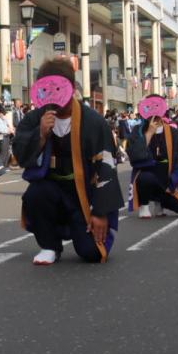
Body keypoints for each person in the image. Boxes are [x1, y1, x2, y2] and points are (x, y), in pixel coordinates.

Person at [13, 59, 121, 265]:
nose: (52, 95)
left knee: (92, 253)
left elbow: (106, 167)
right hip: (52, 187)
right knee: (36, 194)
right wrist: (41, 135)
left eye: (58, 88)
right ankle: (49, 245)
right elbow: (21, 156)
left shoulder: (94, 122)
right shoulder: (34, 118)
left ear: (71, 89)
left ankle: (93, 230)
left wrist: (100, 212)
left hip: (84, 195)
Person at [125, 97, 178, 219]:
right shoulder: (138, 131)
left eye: (157, 107)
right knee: (145, 177)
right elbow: (135, 157)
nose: (154, 112)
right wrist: (149, 133)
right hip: (146, 179)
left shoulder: (173, 132)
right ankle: (144, 204)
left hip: (167, 182)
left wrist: (173, 182)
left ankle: (161, 201)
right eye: (149, 107)